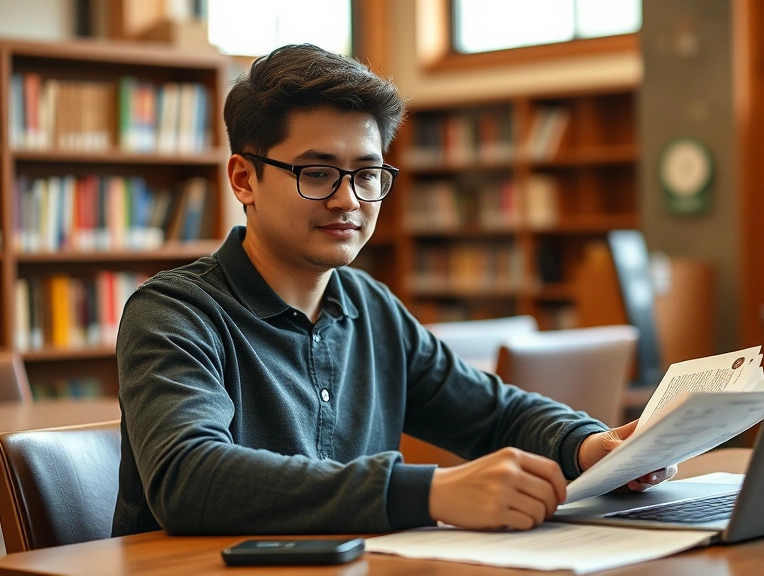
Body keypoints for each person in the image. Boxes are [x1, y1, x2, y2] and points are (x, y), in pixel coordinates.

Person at [112, 43, 676, 537]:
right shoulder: (174, 313)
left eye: (367, 174)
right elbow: (189, 477)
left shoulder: (369, 306)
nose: (349, 200)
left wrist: (589, 446)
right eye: (317, 172)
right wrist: (429, 492)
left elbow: (494, 415)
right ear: (244, 179)